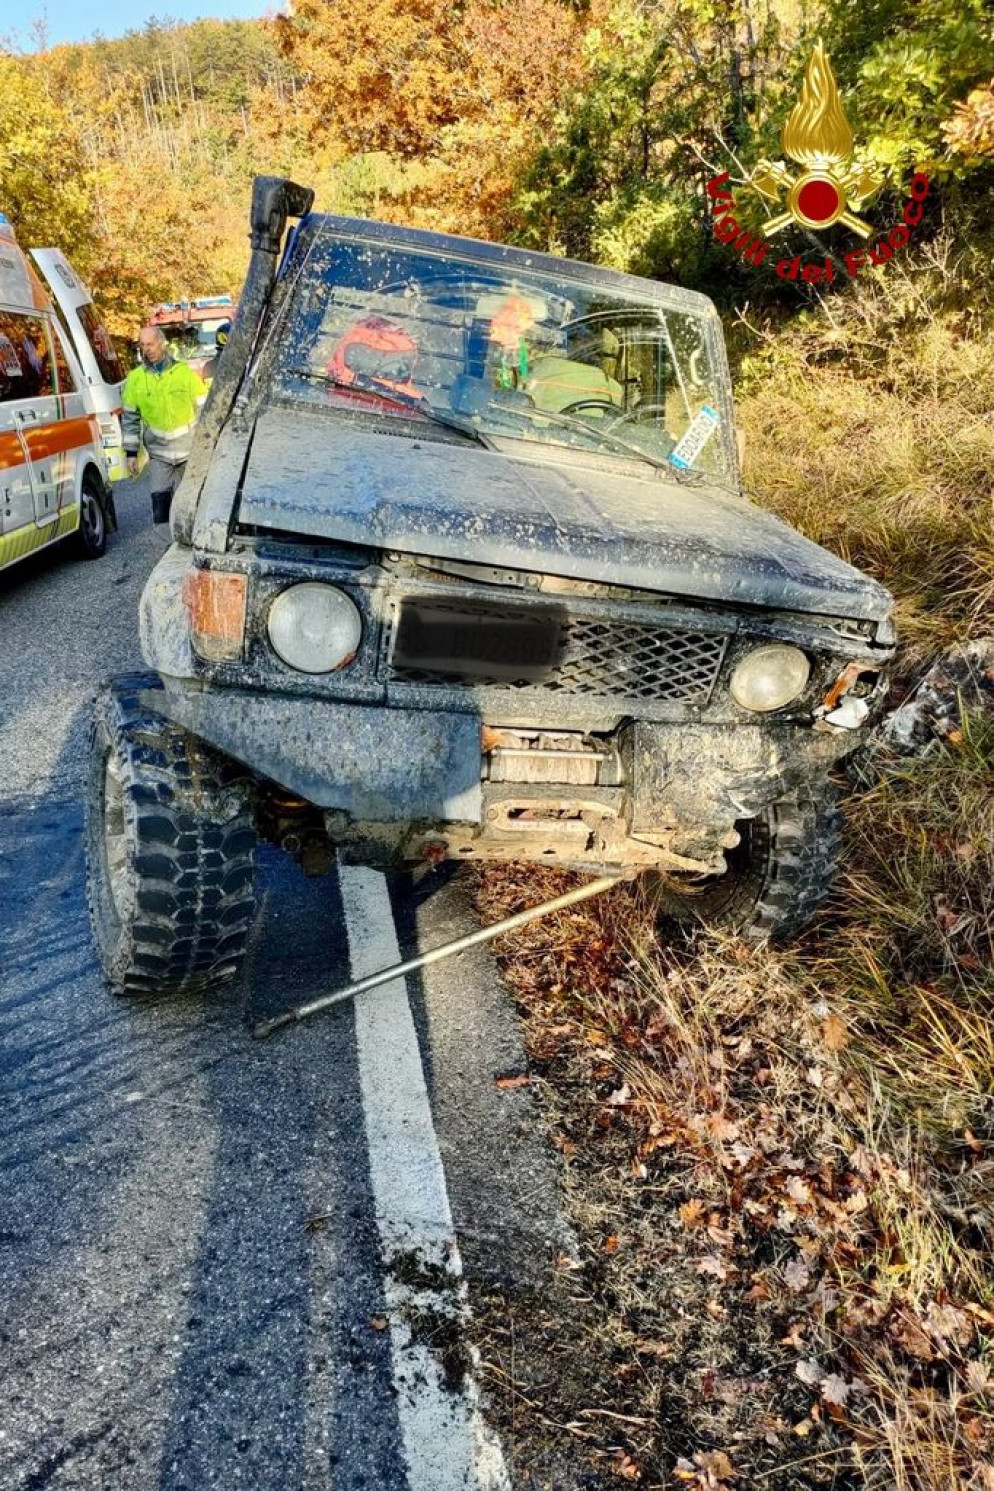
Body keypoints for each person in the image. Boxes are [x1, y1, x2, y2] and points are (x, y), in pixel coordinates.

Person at [122, 326, 208, 524]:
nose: (147, 349)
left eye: (151, 344)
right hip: (159, 455)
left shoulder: (184, 373)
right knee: (161, 511)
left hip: (189, 452)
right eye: (143, 345)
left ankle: (191, 540)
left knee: (191, 508)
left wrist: (205, 443)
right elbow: (130, 418)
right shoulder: (135, 379)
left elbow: (204, 408)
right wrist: (131, 454)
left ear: (162, 344)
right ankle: (166, 543)